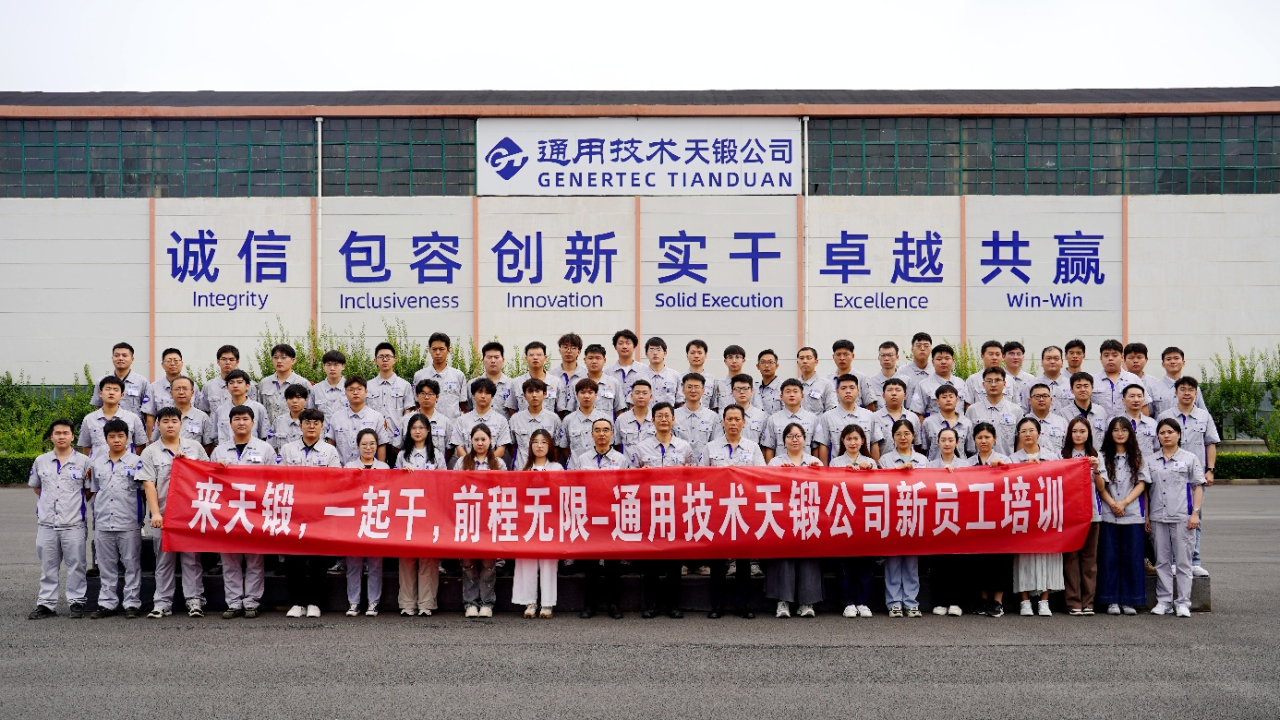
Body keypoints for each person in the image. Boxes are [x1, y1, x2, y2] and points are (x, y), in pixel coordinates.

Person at [138, 407, 210, 619]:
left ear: (181, 424)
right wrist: (155, 514)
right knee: (164, 560)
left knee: (191, 559)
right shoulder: (150, 452)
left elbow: (208, 476)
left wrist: (189, 464)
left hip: (190, 514)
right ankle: (162, 602)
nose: (170, 425)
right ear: (157, 425)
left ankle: (195, 601)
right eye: (165, 421)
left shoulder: (194, 447)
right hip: (164, 514)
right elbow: (149, 485)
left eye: (174, 421)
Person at [699, 404, 765, 619]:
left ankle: (742, 605)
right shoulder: (711, 447)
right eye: (729, 419)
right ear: (723, 422)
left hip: (744, 508)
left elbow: (761, 477)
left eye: (737, 419)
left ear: (744, 422)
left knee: (743, 560)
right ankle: (717, 605)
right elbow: (701, 478)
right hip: (717, 508)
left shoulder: (753, 447)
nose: (733, 423)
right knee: (717, 559)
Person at [210, 405, 275, 619]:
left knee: (255, 559)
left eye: (245, 419)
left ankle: (251, 602)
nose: (241, 422)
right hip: (227, 512)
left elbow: (274, 480)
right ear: (230, 423)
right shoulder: (219, 451)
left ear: (253, 422)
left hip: (255, 511)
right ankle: (234, 602)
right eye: (236, 419)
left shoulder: (265, 449)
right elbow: (209, 481)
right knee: (230, 559)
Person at [278, 408, 341, 618]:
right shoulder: (288, 450)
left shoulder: (330, 451)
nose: (311, 426)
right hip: (293, 511)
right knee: (293, 560)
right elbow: (280, 478)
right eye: (307, 422)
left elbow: (335, 480)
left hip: (319, 512)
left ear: (322, 426)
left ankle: (315, 602)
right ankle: (297, 602)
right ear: (300, 425)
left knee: (317, 560)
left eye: (316, 423)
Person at [28, 419, 92, 620]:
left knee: (77, 565)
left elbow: (89, 490)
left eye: (66, 433)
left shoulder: (85, 462)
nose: (62, 436)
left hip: (74, 524)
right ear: (51, 437)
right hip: (47, 524)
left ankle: (77, 602)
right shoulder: (41, 461)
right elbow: (37, 487)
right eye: (58, 433)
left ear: (73, 436)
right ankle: (46, 604)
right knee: (48, 566)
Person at [635, 402, 694, 619]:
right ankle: (650, 605)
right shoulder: (642, 448)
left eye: (667, 415)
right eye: (659, 416)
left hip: (675, 509)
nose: (663, 419)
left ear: (673, 419)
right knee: (650, 560)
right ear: (652, 420)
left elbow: (693, 477)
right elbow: (632, 477)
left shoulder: (684, 447)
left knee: (673, 560)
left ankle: (673, 606)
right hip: (650, 509)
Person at [1157, 376, 1219, 578]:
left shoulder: (1203, 416)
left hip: (1194, 475)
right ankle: (1175, 561)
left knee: (1195, 517)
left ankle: (1194, 560)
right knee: (1170, 519)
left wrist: (1210, 470)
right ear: (1175, 393)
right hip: (1169, 475)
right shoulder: (1165, 416)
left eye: (1190, 389)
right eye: (1182, 389)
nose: (1186, 393)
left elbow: (1210, 442)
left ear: (1196, 393)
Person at [86, 418, 145, 620]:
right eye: (112, 436)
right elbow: (94, 491)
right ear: (106, 439)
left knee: (131, 564)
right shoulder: (97, 463)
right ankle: (107, 604)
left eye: (121, 436)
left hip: (129, 522)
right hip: (103, 522)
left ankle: (132, 604)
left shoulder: (137, 462)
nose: (117, 440)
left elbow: (144, 491)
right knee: (106, 565)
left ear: (127, 438)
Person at [1147, 418, 1205, 618]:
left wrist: (1195, 513)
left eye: (1170, 432)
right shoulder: (1151, 460)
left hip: (1182, 517)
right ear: (1158, 436)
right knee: (1162, 561)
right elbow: (1146, 490)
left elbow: (1198, 486)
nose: (1166, 436)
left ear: (1178, 434)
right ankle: (1164, 601)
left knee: (1183, 562)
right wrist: (1147, 517)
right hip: (1158, 517)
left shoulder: (1190, 458)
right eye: (1162, 433)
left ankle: (1183, 602)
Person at [766, 422, 824, 618]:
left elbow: (825, 489)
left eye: (798, 436)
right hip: (783, 517)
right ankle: (783, 602)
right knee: (784, 558)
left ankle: (807, 602)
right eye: (790, 436)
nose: (794, 439)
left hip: (809, 517)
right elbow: (767, 487)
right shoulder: (775, 463)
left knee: (808, 557)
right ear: (784, 441)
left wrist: (818, 473)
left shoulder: (814, 462)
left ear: (805, 439)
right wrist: (779, 474)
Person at [576, 418, 630, 619]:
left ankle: (614, 604)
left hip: (612, 515)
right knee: (590, 564)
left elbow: (627, 487)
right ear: (591, 434)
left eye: (606, 430)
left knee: (612, 564)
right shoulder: (582, 459)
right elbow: (574, 485)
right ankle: (589, 605)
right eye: (597, 430)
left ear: (612, 434)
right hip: (590, 516)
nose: (601, 434)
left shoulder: (621, 460)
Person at [1096, 416, 1150, 616]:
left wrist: (1124, 503)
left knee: (1132, 558)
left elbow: (1142, 483)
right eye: (1116, 430)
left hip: (1132, 513)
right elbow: (1100, 485)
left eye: (1124, 430)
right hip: (1108, 514)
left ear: (1130, 433)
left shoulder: (1137, 456)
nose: (1120, 433)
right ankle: (1111, 600)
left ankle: (1130, 600)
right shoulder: (1102, 456)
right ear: (1110, 433)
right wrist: (1113, 504)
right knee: (1109, 558)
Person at [1009, 418, 1064, 616]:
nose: (1027, 434)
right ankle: (1024, 601)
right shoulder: (1012, 459)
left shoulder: (1052, 457)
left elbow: (1061, 480)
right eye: (1023, 431)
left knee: (1047, 555)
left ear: (1039, 433)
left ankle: (1044, 600)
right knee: (1023, 557)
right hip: (1022, 512)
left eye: (1031, 430)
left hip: (1046, 511)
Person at [392, 413, 441, 617]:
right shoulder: (403, 455)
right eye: (414, 428)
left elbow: (445, 482)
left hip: (430, 510)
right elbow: (393, 482)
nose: (418, 431)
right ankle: (407, 603)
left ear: (428, 431)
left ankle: (426, 603)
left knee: (428, 558)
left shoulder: (436, 455)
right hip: (407, 511)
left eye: (421, 428)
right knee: (407, 557)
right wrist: (403, 474)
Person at [878, 419, 928, 618]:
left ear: (913, 436)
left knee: (911, 561)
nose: (903, 437)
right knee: (893, 560)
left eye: (907, 433)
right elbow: (880, 485)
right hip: (893, 514)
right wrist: (895, 474)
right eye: (898, 434)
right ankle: (893, 602)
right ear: (893, 437)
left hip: (915, 513)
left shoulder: (922, 460)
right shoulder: (885, 460)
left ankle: (911, 602)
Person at [829, 424, 878, 618]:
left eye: (856, 438)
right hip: (844, 518)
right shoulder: (835, 463)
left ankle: (863, 601)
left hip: (865, 518)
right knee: (845, 563)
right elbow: (830, 487)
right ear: (843, 441)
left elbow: (879, 488)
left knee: (865, 562)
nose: (852, 442)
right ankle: (848, 601)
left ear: (863, 440)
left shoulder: (870, 462)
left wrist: (869, 470)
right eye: (848, 439)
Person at [454, 424, 503, 618]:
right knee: (468, 563)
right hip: (467, 517)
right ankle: (470, 603)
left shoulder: (498, 463)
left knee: (488, 564)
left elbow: (505, 489)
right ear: (471, 441)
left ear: (491, 441)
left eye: (484, 439)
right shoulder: (462, 462)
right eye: (476, 440)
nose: (480, 443)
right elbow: (453, 487)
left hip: (490, 518)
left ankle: (487, 603)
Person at [514, 429, 563, 619]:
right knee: (527, 560)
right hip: (528, 519)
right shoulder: (524, 468)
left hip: (550, 519)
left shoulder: (557, 468)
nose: (539, 446)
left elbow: (562, 493)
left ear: (550, 446)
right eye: (535, 442)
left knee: (548, 561)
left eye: (543, 442)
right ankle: (530, 602)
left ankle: (548, 603)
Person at [965, 423, 1012, 617]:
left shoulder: (1004, 460)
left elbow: (1014, 481)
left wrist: (1002, 469)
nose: (983, 441)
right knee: (979, 559)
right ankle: (984, 600)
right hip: (976, 517)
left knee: (999, 559)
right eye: (979, 438)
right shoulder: (968, 463)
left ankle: (998, 601)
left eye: (987, 437)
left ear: (994, 439)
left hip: (999, 517)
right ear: (974, 440)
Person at [343, 428, 389, 617]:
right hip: (354, 521)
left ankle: (373, 602)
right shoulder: (349, 466)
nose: (368, 448)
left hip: (376, 519)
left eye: (372, 444)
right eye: (364, 444)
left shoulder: (384, 468)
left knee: (375, 564)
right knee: (353, 564)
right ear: (358, 446)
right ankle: (353, 603)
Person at [1062, 417, 1104, 616]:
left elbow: (1102, 487)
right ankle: (1073, 602)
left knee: (1089, 559)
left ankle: (1088, 602)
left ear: (1089, 434)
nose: (1078, 435)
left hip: (1092, 513)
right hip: (1070, 515)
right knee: (1070, 558)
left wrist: (1096, 469)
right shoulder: (1062, 455)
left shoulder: (1096, 455)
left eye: (1082, 431)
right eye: (1074, 431)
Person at [926, 427, 966, 617]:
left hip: (959, 518)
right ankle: (940, 601)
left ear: (957, 443)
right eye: (943, 440)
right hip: (937, 518)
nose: (947, 443)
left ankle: (956, 601)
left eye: (951, 440)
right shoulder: (930, 466)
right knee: (938, 562)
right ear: (938, 442)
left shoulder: (965, 465)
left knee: (957, 563)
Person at [325, 375, 391, 465]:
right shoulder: (336, 417)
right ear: (345, 393)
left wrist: (379, 468)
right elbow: (330, 445)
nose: (355, 392)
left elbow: (381, 445)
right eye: (351, 389)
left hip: (368, 470)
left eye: (359, 389)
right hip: (341, 469)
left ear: (366, 392)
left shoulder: (377, 417)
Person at [818, 373, 881, 465]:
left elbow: (874, 443)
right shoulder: (827, 417)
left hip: (864, 468)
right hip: (838, 468)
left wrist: (875, 468)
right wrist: (824, 471)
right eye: (843, 388)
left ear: (858, 391)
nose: (848, 391)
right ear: (837, 391)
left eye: (852, 388)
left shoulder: (869, 416)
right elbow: (824, 445)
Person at [79, 376, 148, 457]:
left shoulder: (133, 418)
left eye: (116, 390)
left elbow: (140, 445)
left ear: (122, 395)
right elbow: (86, 446)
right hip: (98, 464)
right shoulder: (89, 419)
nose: (111, 392)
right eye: (108, 389)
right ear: (100, 393)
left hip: (126, 464)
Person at [394, 379, 452, 470]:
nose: (426, 397)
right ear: (417, 396)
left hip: (434, 469)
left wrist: (437, 462)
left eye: (430, 394)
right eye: (423, 393)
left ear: (437, 397)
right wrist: (408, 460)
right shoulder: (405, 420)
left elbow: (450, 449)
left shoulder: (445, 422)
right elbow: (396, 447)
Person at [760, 378, 822, 463]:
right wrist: (771, 469)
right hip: (781, 467)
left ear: (802, 395)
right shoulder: (773, 419)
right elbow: (769, 447)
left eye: (795, 391)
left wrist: (814, 467)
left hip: (805, 467)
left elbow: (815, 447)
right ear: (781, 396)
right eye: (788, 391)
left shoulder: (813, 419)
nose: (792, 395)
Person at [965, 366, 1021, 456]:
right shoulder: (972, 410)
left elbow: (1020, 440)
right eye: (989, 381)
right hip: (979, 462)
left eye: (997, 380)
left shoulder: (1015, 411)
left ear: (1004, 384)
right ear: (983, 384)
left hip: (1007, 462)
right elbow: (968, 442)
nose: (993, 384)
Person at [509, 377, 564, 468]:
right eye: (530, 391)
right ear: (524, 395)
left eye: (537, 391)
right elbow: (511, 446)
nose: (534, 395)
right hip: (522, 469)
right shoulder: (515, 419)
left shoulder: (554, 419)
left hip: (546, 470)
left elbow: (557, 447)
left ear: (545, 394)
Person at [451, 377, 511, 461]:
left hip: (491, 465)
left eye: (487, 393)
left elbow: (501, 449)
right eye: (479, 392)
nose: (483, 396)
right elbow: (459, 448)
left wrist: (484, 464)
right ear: (473, 395)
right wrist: (471, 463)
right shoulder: (461, 420)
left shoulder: (501, 421)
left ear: (492, 396)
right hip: (467, 465)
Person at [559, 378, 614, 468]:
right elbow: (564, 447)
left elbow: (610, 445)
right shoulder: (568, 420)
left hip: (599, 469)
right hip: (575, 469)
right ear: (577, 395)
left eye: (590, 392)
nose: (586, 396)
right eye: (582, 392)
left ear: (596, 395)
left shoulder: (606, 419)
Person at [412, 333, 468, 419]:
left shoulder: (458, 376)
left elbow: (463, 405)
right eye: (434, 349)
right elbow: (416, 403)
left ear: (448, 350)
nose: (437, 353)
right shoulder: (419, 376)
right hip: (426, 425)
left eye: (441, 349)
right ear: (429, 350)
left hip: (451, 425)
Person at [141, 347, 195, 436]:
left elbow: (199, 411)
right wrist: (151, 439)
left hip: (189, 435)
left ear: (182, 363)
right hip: (162, 437)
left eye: (176, 361)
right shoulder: (153, 388)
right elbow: (150, 415)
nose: (172, 363)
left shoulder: (192, 386)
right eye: (168, 361)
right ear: (162, 364)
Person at [149, 376, 213, 449]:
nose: (181, 392)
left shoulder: (202, 417)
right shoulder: (163, 415)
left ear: (192, 393)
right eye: (177, 389)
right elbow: (154, 441)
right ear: (171, 393)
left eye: (185, 389)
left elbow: (208, 445)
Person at [89, 341, 150, 417]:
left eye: (124, 355)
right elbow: (98, 406)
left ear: (132, 359)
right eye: (117, 355)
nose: (120, 358)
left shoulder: (142, 382)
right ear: (112, 358)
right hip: (109, 424)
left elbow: (148, 410)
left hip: (133, 424)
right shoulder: (101, 381)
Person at [258, 342, 312, 427]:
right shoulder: (264, 383)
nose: (279, 361)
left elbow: (310, 410)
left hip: (295, 430)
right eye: (275, 357)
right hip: (269, 431)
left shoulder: (303, 383)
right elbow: (259, 410)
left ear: (293, 361)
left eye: (283, 357)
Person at [197, 345, 260, 417]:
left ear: (237, 362)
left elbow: (255, 410)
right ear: (218, 361)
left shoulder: (248, 386)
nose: (227, 362)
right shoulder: (209, 386)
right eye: (224, 359)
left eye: (231, 359)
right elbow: (203, 411)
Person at [211, 369, 270, 446]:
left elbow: (264, 436)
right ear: (227, 387)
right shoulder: (220, 410)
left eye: (239, 382)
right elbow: (215, 438)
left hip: (252, 451)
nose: (235, 385)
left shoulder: (259, 409)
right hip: (226, 452)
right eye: (231, 383)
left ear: (247, 386)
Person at [911, 344, 970, 418]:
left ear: (953, 361)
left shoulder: (961, 383)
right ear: (933, 362)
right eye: (939, 359)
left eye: (947, 358)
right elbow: (917, 413)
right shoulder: (922, 385)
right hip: (934, 425)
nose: (943, 362)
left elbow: (967, 408)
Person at [507, 341, 565, 415]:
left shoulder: (556, 382)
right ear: (526, 359)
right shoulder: (516, 383)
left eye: (539, 355)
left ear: (545, 358)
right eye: (531, 355)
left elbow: (561, 410)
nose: (535, 357)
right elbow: (511, 408)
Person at [1055, 372, 1108, 450]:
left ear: (1092, 388)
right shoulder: (1063, 414)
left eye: (1086, 386)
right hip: (1073, 456)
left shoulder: (1101, 411)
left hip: (1097, 455)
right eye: (1078, 387)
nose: (1083, 390)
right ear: (1072, 390)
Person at [673, 373, 722, 459]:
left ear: (703, 390)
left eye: (697, 387)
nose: (693, 390)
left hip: (705, 465)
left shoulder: (713, 417)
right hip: (679, 464)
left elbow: (717, 444)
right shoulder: (673, 415)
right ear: (683, 390)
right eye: (689, 387)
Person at [1092, 339, 1145, 418]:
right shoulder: (1092, 381)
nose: (1110, 358)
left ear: (1122, 358)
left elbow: (1144, 406)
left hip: (1127, 425)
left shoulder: (1133, 379)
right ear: (1101, 358)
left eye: (1115, 355)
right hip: (1100, 425)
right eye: (1106, 355)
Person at [919, 385, 971, 462]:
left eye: (951, 397)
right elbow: (924, 448)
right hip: (935, 467)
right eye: (944, 397)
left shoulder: (966, 423)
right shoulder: (928, 422)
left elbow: (970, 450)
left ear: (957, 400)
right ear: (937, 401)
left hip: (960, 467)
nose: (948, 400)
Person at [575, 343, 627, 417]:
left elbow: (619, 411)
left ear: (604, 360)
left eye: (598, 358)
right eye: (590, 358)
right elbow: (571, 411)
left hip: (606, 424)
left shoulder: (613, 383)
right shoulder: (576, 383)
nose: (594, 361)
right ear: (585, 360)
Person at [873, 378, 921, 458]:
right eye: (890, 390)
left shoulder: (913, 417)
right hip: (885, 463)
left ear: (905, 395)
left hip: (908, 462)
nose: (894, 393)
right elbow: (873, 445)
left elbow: (917, 444)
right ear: (883, 395)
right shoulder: (875, 417)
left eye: (898, 390)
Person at [966, 340, 1018, 407]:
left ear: (1002, 356)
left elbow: (1015, 406)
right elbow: (968, 405)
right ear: (982, 356)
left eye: (997, 354)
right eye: (990, 354)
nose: (994, 358)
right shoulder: (973, 380)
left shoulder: (1010, 380)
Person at [1023, 383, 1069, 457]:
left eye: (1045, 396)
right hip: (1031, 463)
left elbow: (1068, 448)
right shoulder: (1023, 422)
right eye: (1037, 396)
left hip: (1056, 463)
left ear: (1051, 400)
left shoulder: (1061, 422)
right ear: (1030, 401)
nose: (1041, 399)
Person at [471, 341, 518, 412]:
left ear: (503, 360)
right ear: (483, 360)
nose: (493, 361)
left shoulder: (512, 384)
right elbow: (467, 410)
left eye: (496, 357)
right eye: (489, 357)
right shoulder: (472, 384)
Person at [862, 340, 904, 411]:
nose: (886, 358)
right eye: (883, 355)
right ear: (878, 357)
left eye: (890, 355)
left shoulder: (907, 381)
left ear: (897, 357)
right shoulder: (870, 382)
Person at [640, 336, 682, 406]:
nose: (655, 353)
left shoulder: (675, 376)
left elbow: (680, 403)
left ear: (665, 353)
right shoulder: (639, 377)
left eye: (658, 350)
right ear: (646, 354)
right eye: (651, 350)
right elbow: (633, 403)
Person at [552, 333, 587, 416]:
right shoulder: (551, 375)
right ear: (560, 350)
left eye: (573, 348)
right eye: (565, 347)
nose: (569, 351)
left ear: (579, 351)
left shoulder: (586, 375)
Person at [1118, 384, 1159, 454]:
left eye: (1139, 396)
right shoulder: (1114, 422)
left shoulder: (1152, 423)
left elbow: (1157, 448)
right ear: (1123, 400)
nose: (1136, 400)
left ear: (1144, 400)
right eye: (1132, 396)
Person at [727, 374, 768, 443]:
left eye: (745, 389)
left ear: (752, 391)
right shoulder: (725, 415)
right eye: (738, 389)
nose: (742, 392)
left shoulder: (762, 416)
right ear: (732, 392)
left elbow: (764, 444)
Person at [796, 346, 837, 415]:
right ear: (797, 363)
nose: (805, 361)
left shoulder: (826, 385)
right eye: (801, 358)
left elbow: (832, 410)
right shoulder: (793, 386)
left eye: (809, 358)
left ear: (816, 362)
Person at [1035, 345, 1076, 413]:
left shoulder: (1071, 385)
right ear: (1042, 362)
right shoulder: (1031, 385)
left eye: (1056, 359)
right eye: (1048, 359)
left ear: (1062, 362)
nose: (1052, 362)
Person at [308, 350, 349, 418]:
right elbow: (310, 413)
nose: (332, 368)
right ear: (324, 366)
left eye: (336, 365)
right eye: (329, 365)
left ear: (343, 366)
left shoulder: (351, 388)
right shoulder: (316, 389)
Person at [268, 383, 309, 451]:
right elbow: (271, 448)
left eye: (298, 397)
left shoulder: (313, 421)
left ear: (305, 400)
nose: (294, 401)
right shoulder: (279, 421)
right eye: (290, 398)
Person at [605, 329, 643, 399]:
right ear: (615, 347)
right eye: (620, 343)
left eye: (628, 343)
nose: (624, 346)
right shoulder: (607, 372)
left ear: (634, 347)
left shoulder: (644, 370)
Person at [709, 344, 748, 413]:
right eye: (730, 357)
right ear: (725, 361)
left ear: (743, 360)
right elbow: (714, 409)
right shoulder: (719, 385)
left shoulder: (750, 384)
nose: (734, 361)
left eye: (737, 357)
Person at [1002, 341, 1038, 409]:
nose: (1015, 357)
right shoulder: (998, 379)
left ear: (1023, 357)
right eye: (1011, 354)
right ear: (1003, 356)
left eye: (1018, 354)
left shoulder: (1031, 379)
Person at [752, 349, 785, 416]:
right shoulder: (753, 389)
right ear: (758, 366)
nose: (766, 365)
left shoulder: (783, 387)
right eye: (763, 362)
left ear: (776, 366)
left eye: (770, 362)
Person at [685, 339, 712, 407]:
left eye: (700, 353)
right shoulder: (679, 378)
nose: (696, 356)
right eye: (692, 353)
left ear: (705, 356)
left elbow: (714, 407)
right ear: (687, 356)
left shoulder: (712, 381)